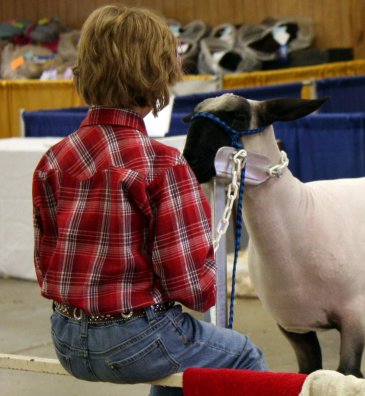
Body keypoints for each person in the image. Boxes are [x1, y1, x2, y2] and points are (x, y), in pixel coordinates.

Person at [31, 5, 267, 396]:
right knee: (243, 356)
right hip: (134, 341)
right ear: (159, 74)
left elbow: (46, 266)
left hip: (66, 339)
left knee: (178, 357)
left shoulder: (54, 158)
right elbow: (192, 288)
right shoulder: (161, 164)